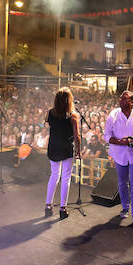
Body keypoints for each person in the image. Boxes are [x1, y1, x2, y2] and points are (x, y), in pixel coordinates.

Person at [104, 90, 133, 229]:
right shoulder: (113, 115)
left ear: (131, 102)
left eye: (124, 99)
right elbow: (106, 135)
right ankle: (125, 207)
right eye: (120, 98)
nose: (120, 100)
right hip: (119, 154)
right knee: (122, 183)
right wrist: (120, 142)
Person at [46, 87, 80, 219]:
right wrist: (78, 150)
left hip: (54, 147)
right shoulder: (73, 116)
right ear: (69, 100)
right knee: (66, 178)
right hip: (66, 148)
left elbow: (51, 126)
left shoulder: (49, 113)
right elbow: (77, 136)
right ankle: (62, 208)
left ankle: (48, 206)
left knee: (54, 175)